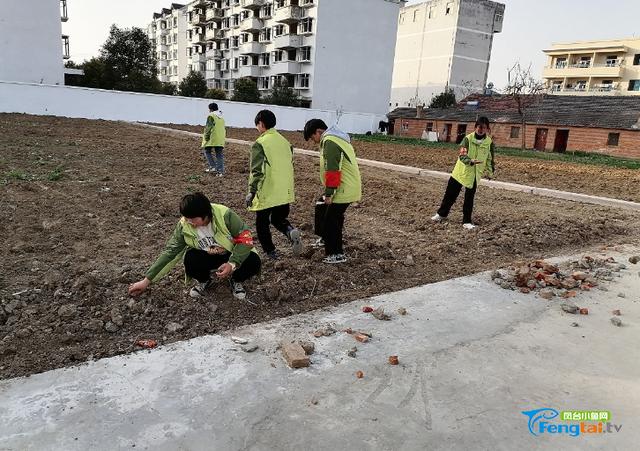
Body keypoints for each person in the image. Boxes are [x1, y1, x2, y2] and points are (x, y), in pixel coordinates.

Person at [128, 192, 261, 300]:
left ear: (205, 215)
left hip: (231, 253)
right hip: (208, 255)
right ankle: (204, 281)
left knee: (253, 261)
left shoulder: (224, 214)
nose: (189, 222)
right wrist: (146, 281)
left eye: (193, 219)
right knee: (190, 259)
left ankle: (236, 279)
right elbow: (170, 252)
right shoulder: (184, 225)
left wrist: (232, 264)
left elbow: (245, 238)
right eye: (186, 218)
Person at [245, 110, 302, 260]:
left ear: (261, 124)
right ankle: (290, 231)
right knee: (278, 219)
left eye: (257, 125)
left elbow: (257, 170)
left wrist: (252, 191)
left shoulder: (260, 143)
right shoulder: (286, 143)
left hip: (267, 190)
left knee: (262, 223)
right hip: (284, 190)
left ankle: (271, 251)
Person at [303, 119, 361, 264]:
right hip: (343, 186)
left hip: (343, 188)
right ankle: (325, 238)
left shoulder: (330, 141)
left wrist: (329, 193)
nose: (313, 141)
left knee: (331, 220)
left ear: (319, 131)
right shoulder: (334, 139)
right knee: (321, 206)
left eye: (312, 137)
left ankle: (336, 254)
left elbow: (333, 170)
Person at [431, 116, 495, 229]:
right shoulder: (467, 139)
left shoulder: (489, 142)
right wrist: (470, 161)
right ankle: (441, 214)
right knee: (450, 194)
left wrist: (490, 172)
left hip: (474, 174)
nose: (481, 130)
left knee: (469, 198)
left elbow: (490, 158)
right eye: (479, 127)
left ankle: (467, 221)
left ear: (487, 129)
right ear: (475, 127)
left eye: (484, 128)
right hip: (460, 171)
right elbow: (462, 155)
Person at [201, 102, 226, 177]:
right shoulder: (221, 117)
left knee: (207, 151)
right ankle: (220, 172)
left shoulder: (211, 116)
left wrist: (206, 137)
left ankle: (212, 167)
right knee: (219, 154)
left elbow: (209, 127)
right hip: (220, 138)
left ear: (211, 109)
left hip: (212, 137)